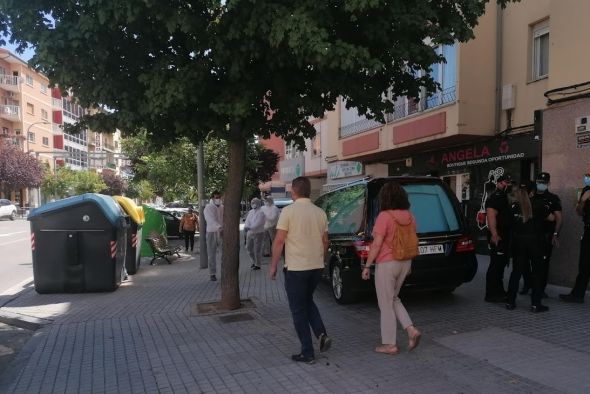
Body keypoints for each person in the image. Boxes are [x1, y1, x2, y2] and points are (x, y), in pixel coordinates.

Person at [269, 177, 331, 364]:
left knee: (297, 310)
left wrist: (273, 266)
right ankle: (321, 333)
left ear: (294, 191)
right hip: (316, 267)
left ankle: (307, 353)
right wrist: (320, 258)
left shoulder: (288, 211)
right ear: (309, 191)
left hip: (296, 268)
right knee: (307, 300)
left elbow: (279, 241)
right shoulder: (320, 213)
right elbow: (325, 241)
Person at [361, 181, 421, 355]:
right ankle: (411, 330)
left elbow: (377, 244)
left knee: (385, 304)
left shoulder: (384, 216)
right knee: (394, 298)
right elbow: (412, 238)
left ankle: (390, 344)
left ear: (385, 198)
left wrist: (367, 266)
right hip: (405, 261)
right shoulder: (410, 216)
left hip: (387, 264)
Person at [505, 181, 553, 312]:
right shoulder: (539, 204)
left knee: (516, 273)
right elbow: (552, 218)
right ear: (532, 192)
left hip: (518, 242)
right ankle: (535, 304)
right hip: (535, 242)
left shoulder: (513, 206)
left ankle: (510, 302)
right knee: (537, 273)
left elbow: (508, 224)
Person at [527, 172, 562, 296]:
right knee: (528, 262)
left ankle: (540, 290)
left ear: (548, 183)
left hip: (545, 236)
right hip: (530, 235)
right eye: (539, 182)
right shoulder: (530, 197)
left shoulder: (553, 198)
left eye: (543, 183)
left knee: (543, 264)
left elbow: (558, 218)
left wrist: (556, 234)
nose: (540, 185)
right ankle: (529, 286)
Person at [559, 169, 590, 303]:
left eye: (589, 175)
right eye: (586, 175)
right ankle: (577, 295)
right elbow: (579, 212)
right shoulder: (586, 190)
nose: (586, 177)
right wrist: (583, 200)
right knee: (584, 264)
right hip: (588, 230)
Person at [484, 173, 513, 303]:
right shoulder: (496, 196)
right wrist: (495, 234)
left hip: (504, 236)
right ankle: (492, 294)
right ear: (499, 183)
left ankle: (499, 291)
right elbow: (491, 215)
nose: (507, 185)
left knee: (500, 265)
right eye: (504, 183)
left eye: (508, 183)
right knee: (496, 265)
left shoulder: (504, 196)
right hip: (498, 236)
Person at [203, 191, 223, 281]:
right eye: (216, 197)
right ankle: (212, 273)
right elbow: (210, 219)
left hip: (222, 232)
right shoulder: (208, 207)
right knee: (211, 254)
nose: (217, 199)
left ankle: (225, 271)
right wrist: (219, 227)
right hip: (212, 232)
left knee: (224, 254)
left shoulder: (222, 207)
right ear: (212, 198)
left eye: (219, 197)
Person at [244, 197, 266, 270]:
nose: (253, 204)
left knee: (257, 250)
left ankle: (258, 264)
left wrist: (250, 227)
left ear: (258, 203)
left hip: (259, 233)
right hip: (250, 233)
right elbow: (247, 220)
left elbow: (259, 223)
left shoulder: (261, 212)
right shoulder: (251, 212)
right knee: (248, 248)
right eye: (252, 203)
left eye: (254, 203)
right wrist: (247, 226)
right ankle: (253, 261)